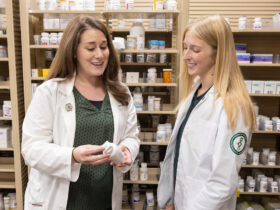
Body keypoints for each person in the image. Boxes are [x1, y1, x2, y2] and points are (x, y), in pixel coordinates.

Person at [21, 16, 140, 210]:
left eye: (104, 46)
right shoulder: (51, 92)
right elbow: (31, 149)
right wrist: (72, 156)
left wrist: (127, 150)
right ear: (74, 51)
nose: (100, 55)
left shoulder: (121, 92)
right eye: (91, 48)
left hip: (103, 199)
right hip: (61, 200)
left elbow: (131, 137)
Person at [157, 15, 256, 210]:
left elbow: (223, 183)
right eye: (185, 47)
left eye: (195, 49)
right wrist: (170, 200)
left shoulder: (232, 105)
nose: (186, 55)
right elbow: (179, 156)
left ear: (218, 53)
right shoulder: (195, 90)